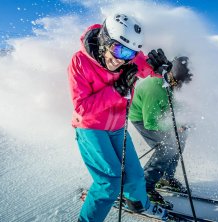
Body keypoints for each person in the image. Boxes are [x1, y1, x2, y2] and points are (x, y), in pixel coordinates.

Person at [68, 13, 174, 222]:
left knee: (134, 176)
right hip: (91, 129)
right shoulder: (80, 62)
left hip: (117, 127)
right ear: (104, 40)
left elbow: (147, 68)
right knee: (110, 182)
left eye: (129, 54)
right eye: (118, 50)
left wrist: (163, 70)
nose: (121, 60)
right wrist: (116, 91)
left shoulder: (127, 58)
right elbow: (81, 108)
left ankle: (138, 203)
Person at [129, 56, 193, 208]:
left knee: (180, 139)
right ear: (170, 75)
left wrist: (184, 122)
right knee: (167, 147)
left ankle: (165, 177)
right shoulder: (154, 88)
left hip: (162, 113)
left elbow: (180, 105)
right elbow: (150, 123)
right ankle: (144, 186)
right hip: (142, 118)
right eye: (178, 83)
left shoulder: (176, 83)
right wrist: (174, 127)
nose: (181, 87)